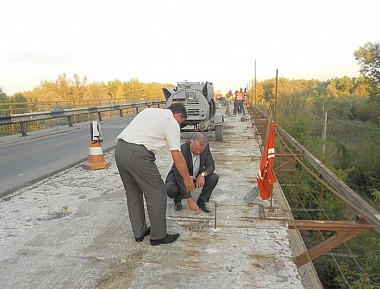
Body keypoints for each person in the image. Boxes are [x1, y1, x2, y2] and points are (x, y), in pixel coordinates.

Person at [115, 103, 195, 246]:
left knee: (133, 193)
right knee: (158, 192)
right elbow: (177, 156)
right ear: (178, 115)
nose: (180, 125)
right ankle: (158, 236)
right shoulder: (171, 121)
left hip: (120, 149)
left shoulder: (150, 111)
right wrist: (187, 179)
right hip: (138, 154)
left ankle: (139, 233)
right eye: (181, 122)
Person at [165, 132, 219, 214]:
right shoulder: (182, 150)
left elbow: (211, 165)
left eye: (201, 150)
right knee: (171, 190)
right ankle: (177, 200)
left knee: (213, 177)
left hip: (196, 175)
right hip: (180, 177)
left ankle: (201, 201)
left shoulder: (205, 147)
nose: (198, 152)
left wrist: (202, 174)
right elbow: (179, 176)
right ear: (191, 143)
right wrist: (189, 199)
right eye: (196, 149)